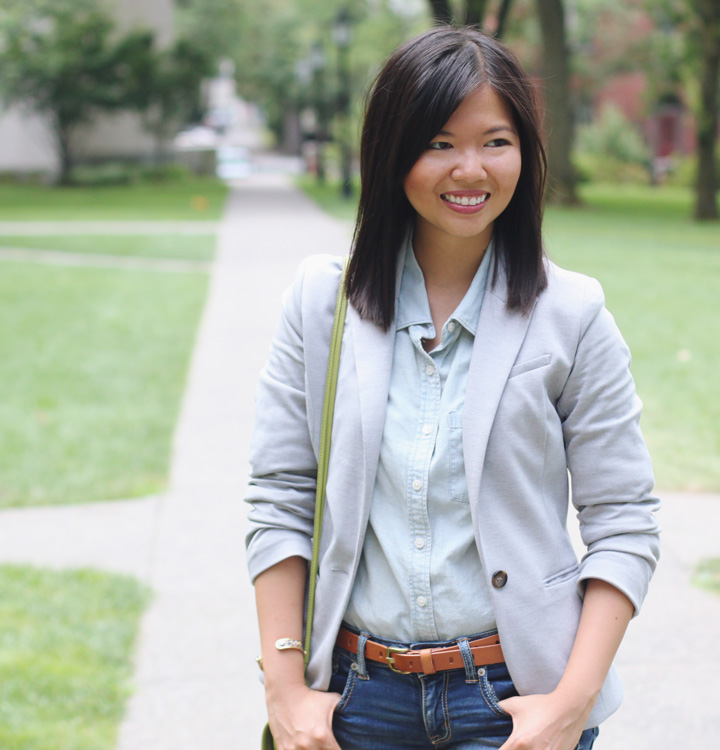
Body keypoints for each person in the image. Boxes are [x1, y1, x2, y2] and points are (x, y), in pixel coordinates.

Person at [245, 25, 659, 750]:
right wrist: (286, 690)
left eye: (495, 142)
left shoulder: (573, 314)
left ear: (526, 154)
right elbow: (281, 495)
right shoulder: (321, 304)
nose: (470, 169)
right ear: (392, 153)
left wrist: (571, 703)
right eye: (439, 143)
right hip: (354, 704)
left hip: (512, 705)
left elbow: (624, 520)